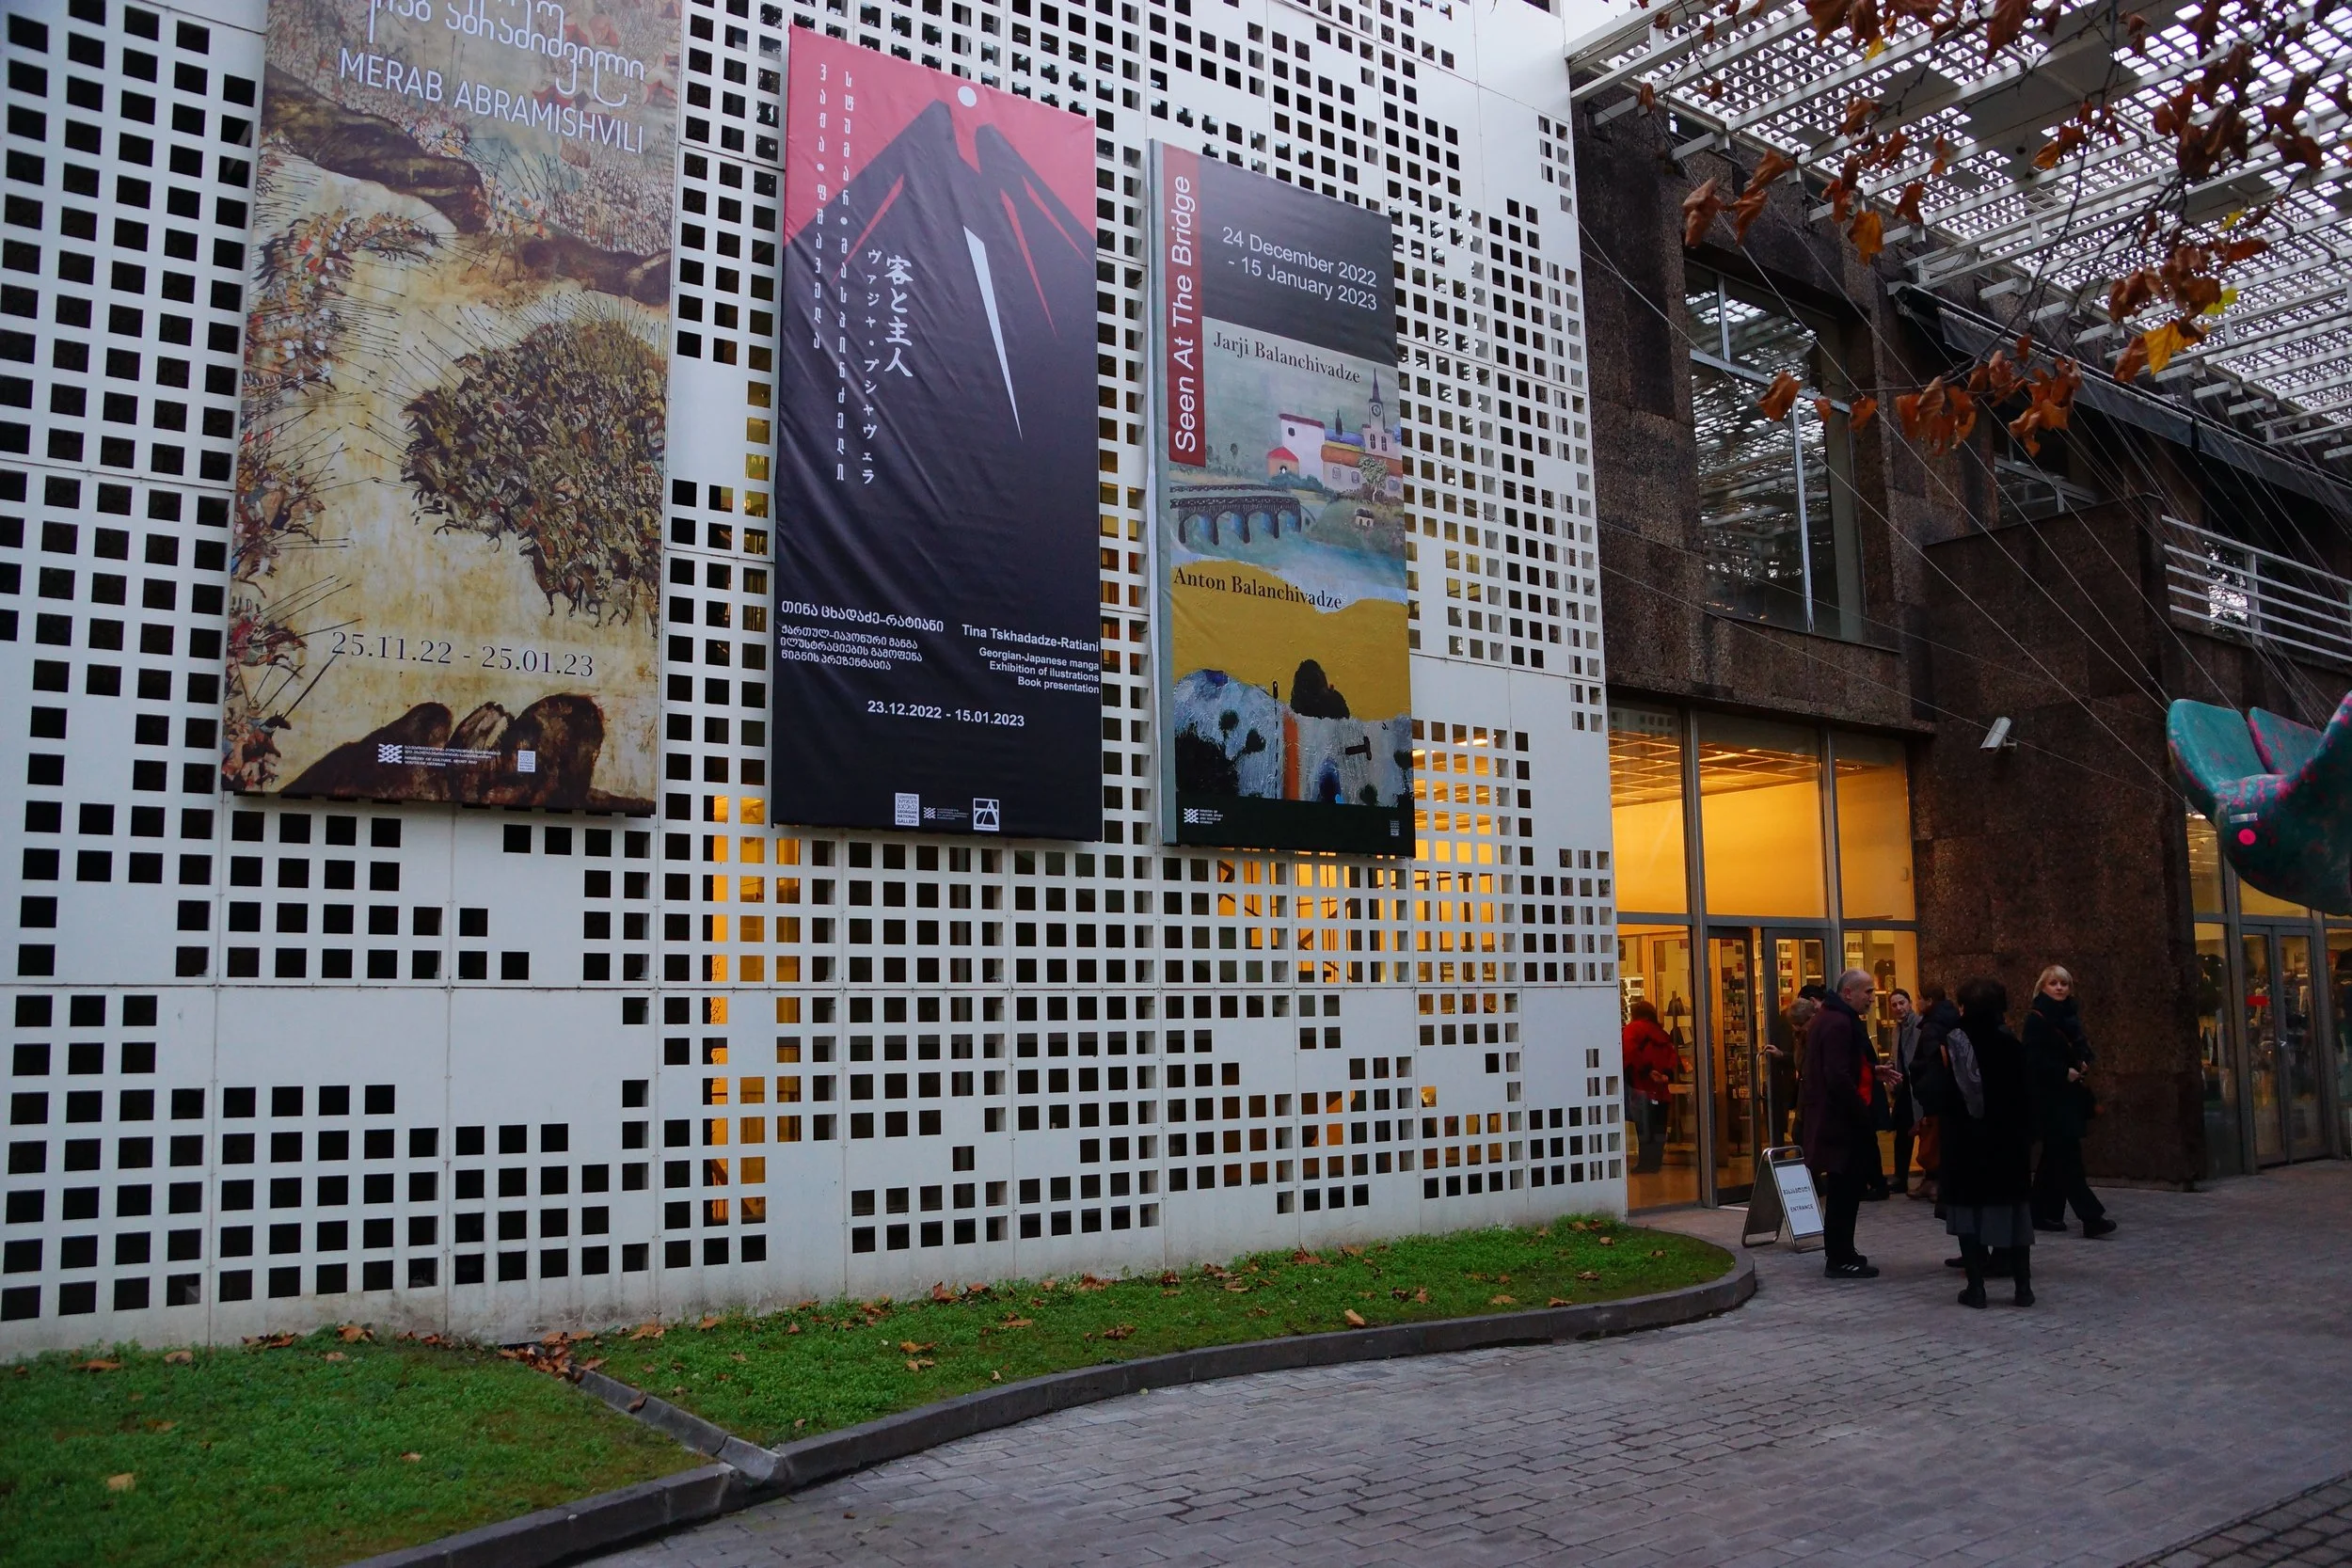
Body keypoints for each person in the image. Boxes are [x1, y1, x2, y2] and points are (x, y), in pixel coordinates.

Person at [1940, 976, 2039, 1307]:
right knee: (2014, 1214)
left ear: (1964, 1006)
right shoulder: (2010, 1043)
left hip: (1967, 1142)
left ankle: (1977, 1288)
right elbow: (2027, 1095)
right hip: (2008, 1143)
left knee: (1969, 1214)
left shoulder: (1955, 1042)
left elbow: (1944, 1094)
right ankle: (2023, 1288)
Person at [1798, 968, 1897, 1279]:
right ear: (1848, 993)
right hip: (1841, 1122)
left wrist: (1871, 1071)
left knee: (1846, 1189)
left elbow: (1841, 1067)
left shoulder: (1832, 1018)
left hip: (1836, 1118)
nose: (1872, 998)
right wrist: (1860, 1110)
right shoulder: (1838, 1022)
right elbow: (1837, 1075)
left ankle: (1843, 1251)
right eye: (1868, 992)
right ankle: (1839, 1257)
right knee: (1844, 1190)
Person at [2024, 965, 2116, 1238]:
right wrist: (2063, 1071)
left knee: (2055, 1158)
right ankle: (2091, 1217)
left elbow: (2078, 1046)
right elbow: (2033, 1059)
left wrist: (2082, 1061)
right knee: (2068, 1160)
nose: (2059, 988)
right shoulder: (2037, 1018)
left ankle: (2041, 1213)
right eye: (2053, 983)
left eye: (2064, 983)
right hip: (2050, 1098)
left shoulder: (2068, 1015)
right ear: (2042, 987)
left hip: (2068, 1096)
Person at [1908, 984, 1958, 1205]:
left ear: (1929, 1001)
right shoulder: (1951, 1020)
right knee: (1939, 1138)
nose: (1917, 1002)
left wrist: (1922, 1089)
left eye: (1920, 998)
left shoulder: (1931, 1028)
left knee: (1933, 1139)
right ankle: (1933, 1181)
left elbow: (1930, 1064)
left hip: (1936, 1092)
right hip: (1948, 1091)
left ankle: (1936, 1183)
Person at [1621, 999, 1677, 1175]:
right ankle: (1655, 1162)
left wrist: (1647, 1071)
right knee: (1659, 1129)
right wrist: (1666, 1075)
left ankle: (1645, 1164)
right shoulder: (1661, 1032)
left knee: (1644, 1128)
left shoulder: (1632, 1029)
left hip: (1642, 1086)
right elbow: (1673, 1055)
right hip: (1662, 1090)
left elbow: (1629, 1051)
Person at [1887, 988, 1919, 1196]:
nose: (1899, 1008)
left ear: (1910, 1003)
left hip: (1916, 1085)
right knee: (1901, 1132)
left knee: (1922, 1131)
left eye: (1902, 1003)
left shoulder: (1918, 1025)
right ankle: (1900, 1176)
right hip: (1903, 1086)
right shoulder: (1896, 1029)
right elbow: (1895, 1055)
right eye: (1894, 1005)